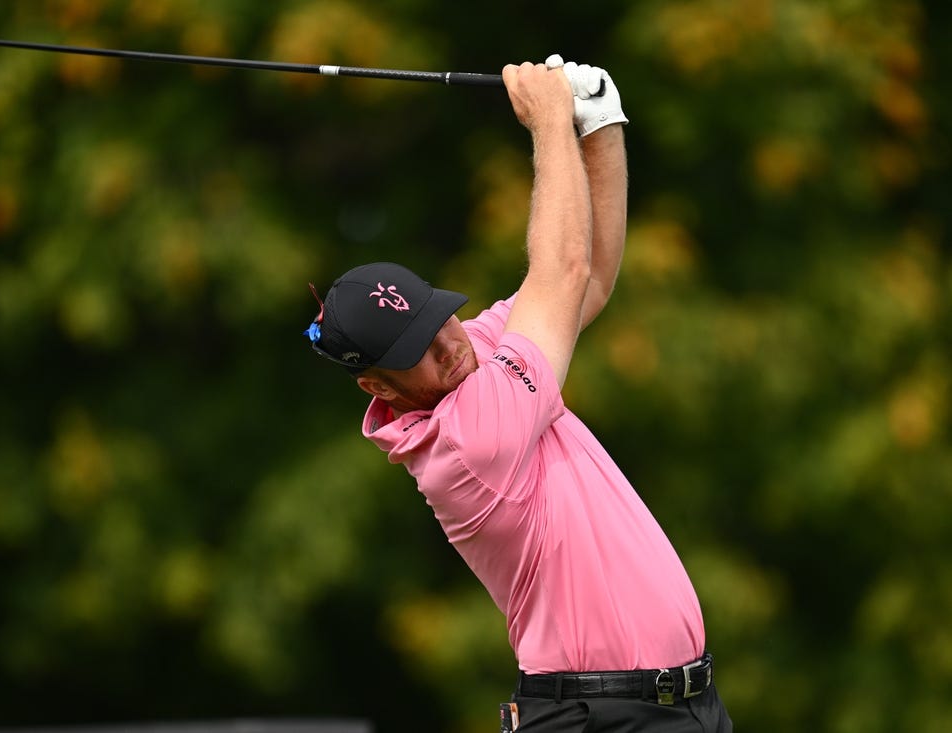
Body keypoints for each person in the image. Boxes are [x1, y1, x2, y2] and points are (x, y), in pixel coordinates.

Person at [304, 56, 733, 732]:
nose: (447, 342)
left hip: (680, 708)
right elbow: (559, 269)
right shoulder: (466, 440)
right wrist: (547, 120)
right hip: (598, 715)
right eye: (415, 350)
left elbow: (586, 283)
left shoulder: (476, 357)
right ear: (378, 385)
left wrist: (599, 127)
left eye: (434, 317)